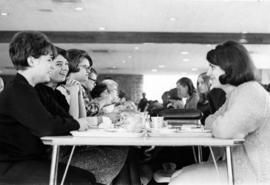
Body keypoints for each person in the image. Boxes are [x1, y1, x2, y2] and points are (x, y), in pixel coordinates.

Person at [0, 31, 95, 185]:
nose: (51, 66)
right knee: (83, 181)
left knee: (88, 178)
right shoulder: (19, 90)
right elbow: (47, 126)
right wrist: (79, 124)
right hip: (10, 166)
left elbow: (50, 122)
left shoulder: (24, 88)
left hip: (25, 161)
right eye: (49, 60)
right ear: (32, 61)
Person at [170, 40, 270, 185]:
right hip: (239, 168)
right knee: (178, 175)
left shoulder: (251, 92)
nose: (209, 73)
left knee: (180, 180)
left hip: (256, 177)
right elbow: (209, 121)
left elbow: (223, 130)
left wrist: (220, 123)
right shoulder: (236, 94)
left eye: (212, 67)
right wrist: (220, 122)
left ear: (229, 67)